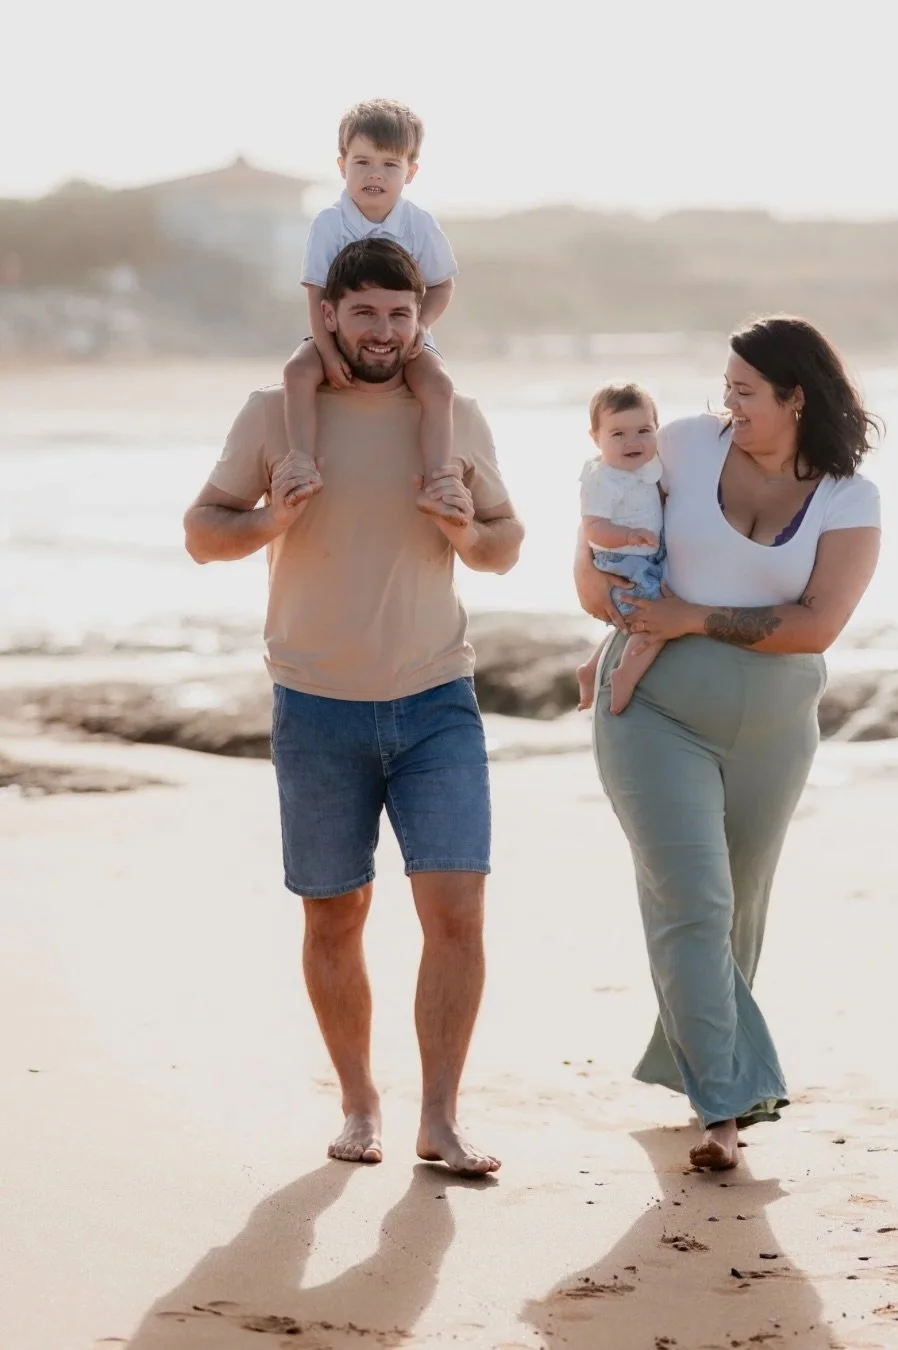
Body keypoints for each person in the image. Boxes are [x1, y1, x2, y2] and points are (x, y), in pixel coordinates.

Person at [183, 237, 524, 1175]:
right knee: (334, 918)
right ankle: (360, 1105)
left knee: (457, 914)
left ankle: (440, 1120)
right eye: (365, 312)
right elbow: (202, 533)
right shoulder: (273, 414)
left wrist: (466, 530)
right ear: (328, 314)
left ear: (420, 320)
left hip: (437, 701)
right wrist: (270, 520)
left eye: (399, 314)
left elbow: (505, 545)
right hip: (316, 708)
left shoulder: (453, 416)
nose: (383, 331)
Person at [574, 315, 882, 1171]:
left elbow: (817, 625)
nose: (728, 406)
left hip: (775, 732)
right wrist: (617, 607)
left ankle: (694, 1059)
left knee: (736, 914)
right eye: (726, 389)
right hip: (654, 712)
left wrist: (690, 616)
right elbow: (596, 550)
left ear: (796, 397)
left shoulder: (849, 498)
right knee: (694, 904)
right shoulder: (682, 446)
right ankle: (725, 1107)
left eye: (745, 392)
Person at [284, 97, 464, 523]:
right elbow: (316, 293)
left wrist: (421, 326)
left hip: (405, 335)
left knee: (439, 386)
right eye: (362, 162)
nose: (375, 175)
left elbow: (442, 285)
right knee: (297, 372)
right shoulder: (329, 223)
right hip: (335, 333)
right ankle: (301, 462)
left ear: (410, 172)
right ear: (342, 165)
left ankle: (438, 479)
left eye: (389, 165)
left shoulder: (419, 223)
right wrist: (327, 351)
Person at [575, 382, 666, 715]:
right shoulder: (603, 478)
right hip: (621, 559)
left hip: (643, 555)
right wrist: (628, 535)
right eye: (618, 434)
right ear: (595, 438)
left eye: (643, 430)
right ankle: (625, 674)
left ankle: (591, 668)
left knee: (629, 624)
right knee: (655, 620)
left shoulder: (649, 466)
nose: (633, 442)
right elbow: (593, 527)